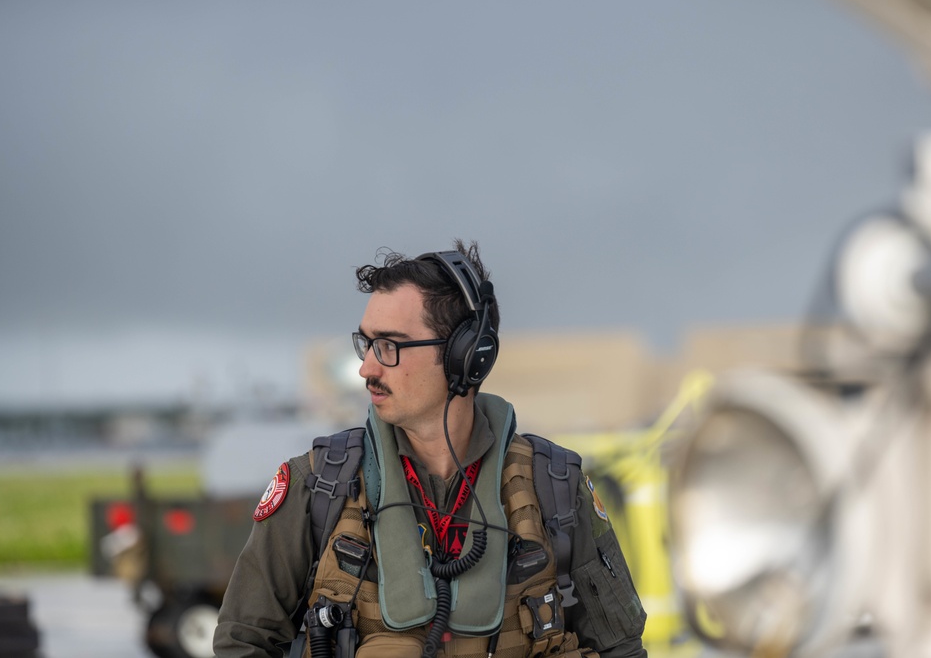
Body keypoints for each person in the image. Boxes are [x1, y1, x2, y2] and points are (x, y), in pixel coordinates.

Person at [214, 240, 647, 658]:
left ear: (465, 356)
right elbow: (242, 642)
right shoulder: (318, 487)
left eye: (389, 346)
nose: (366, 368)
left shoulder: (554, 488)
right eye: (366, 344)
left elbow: (621, 648)